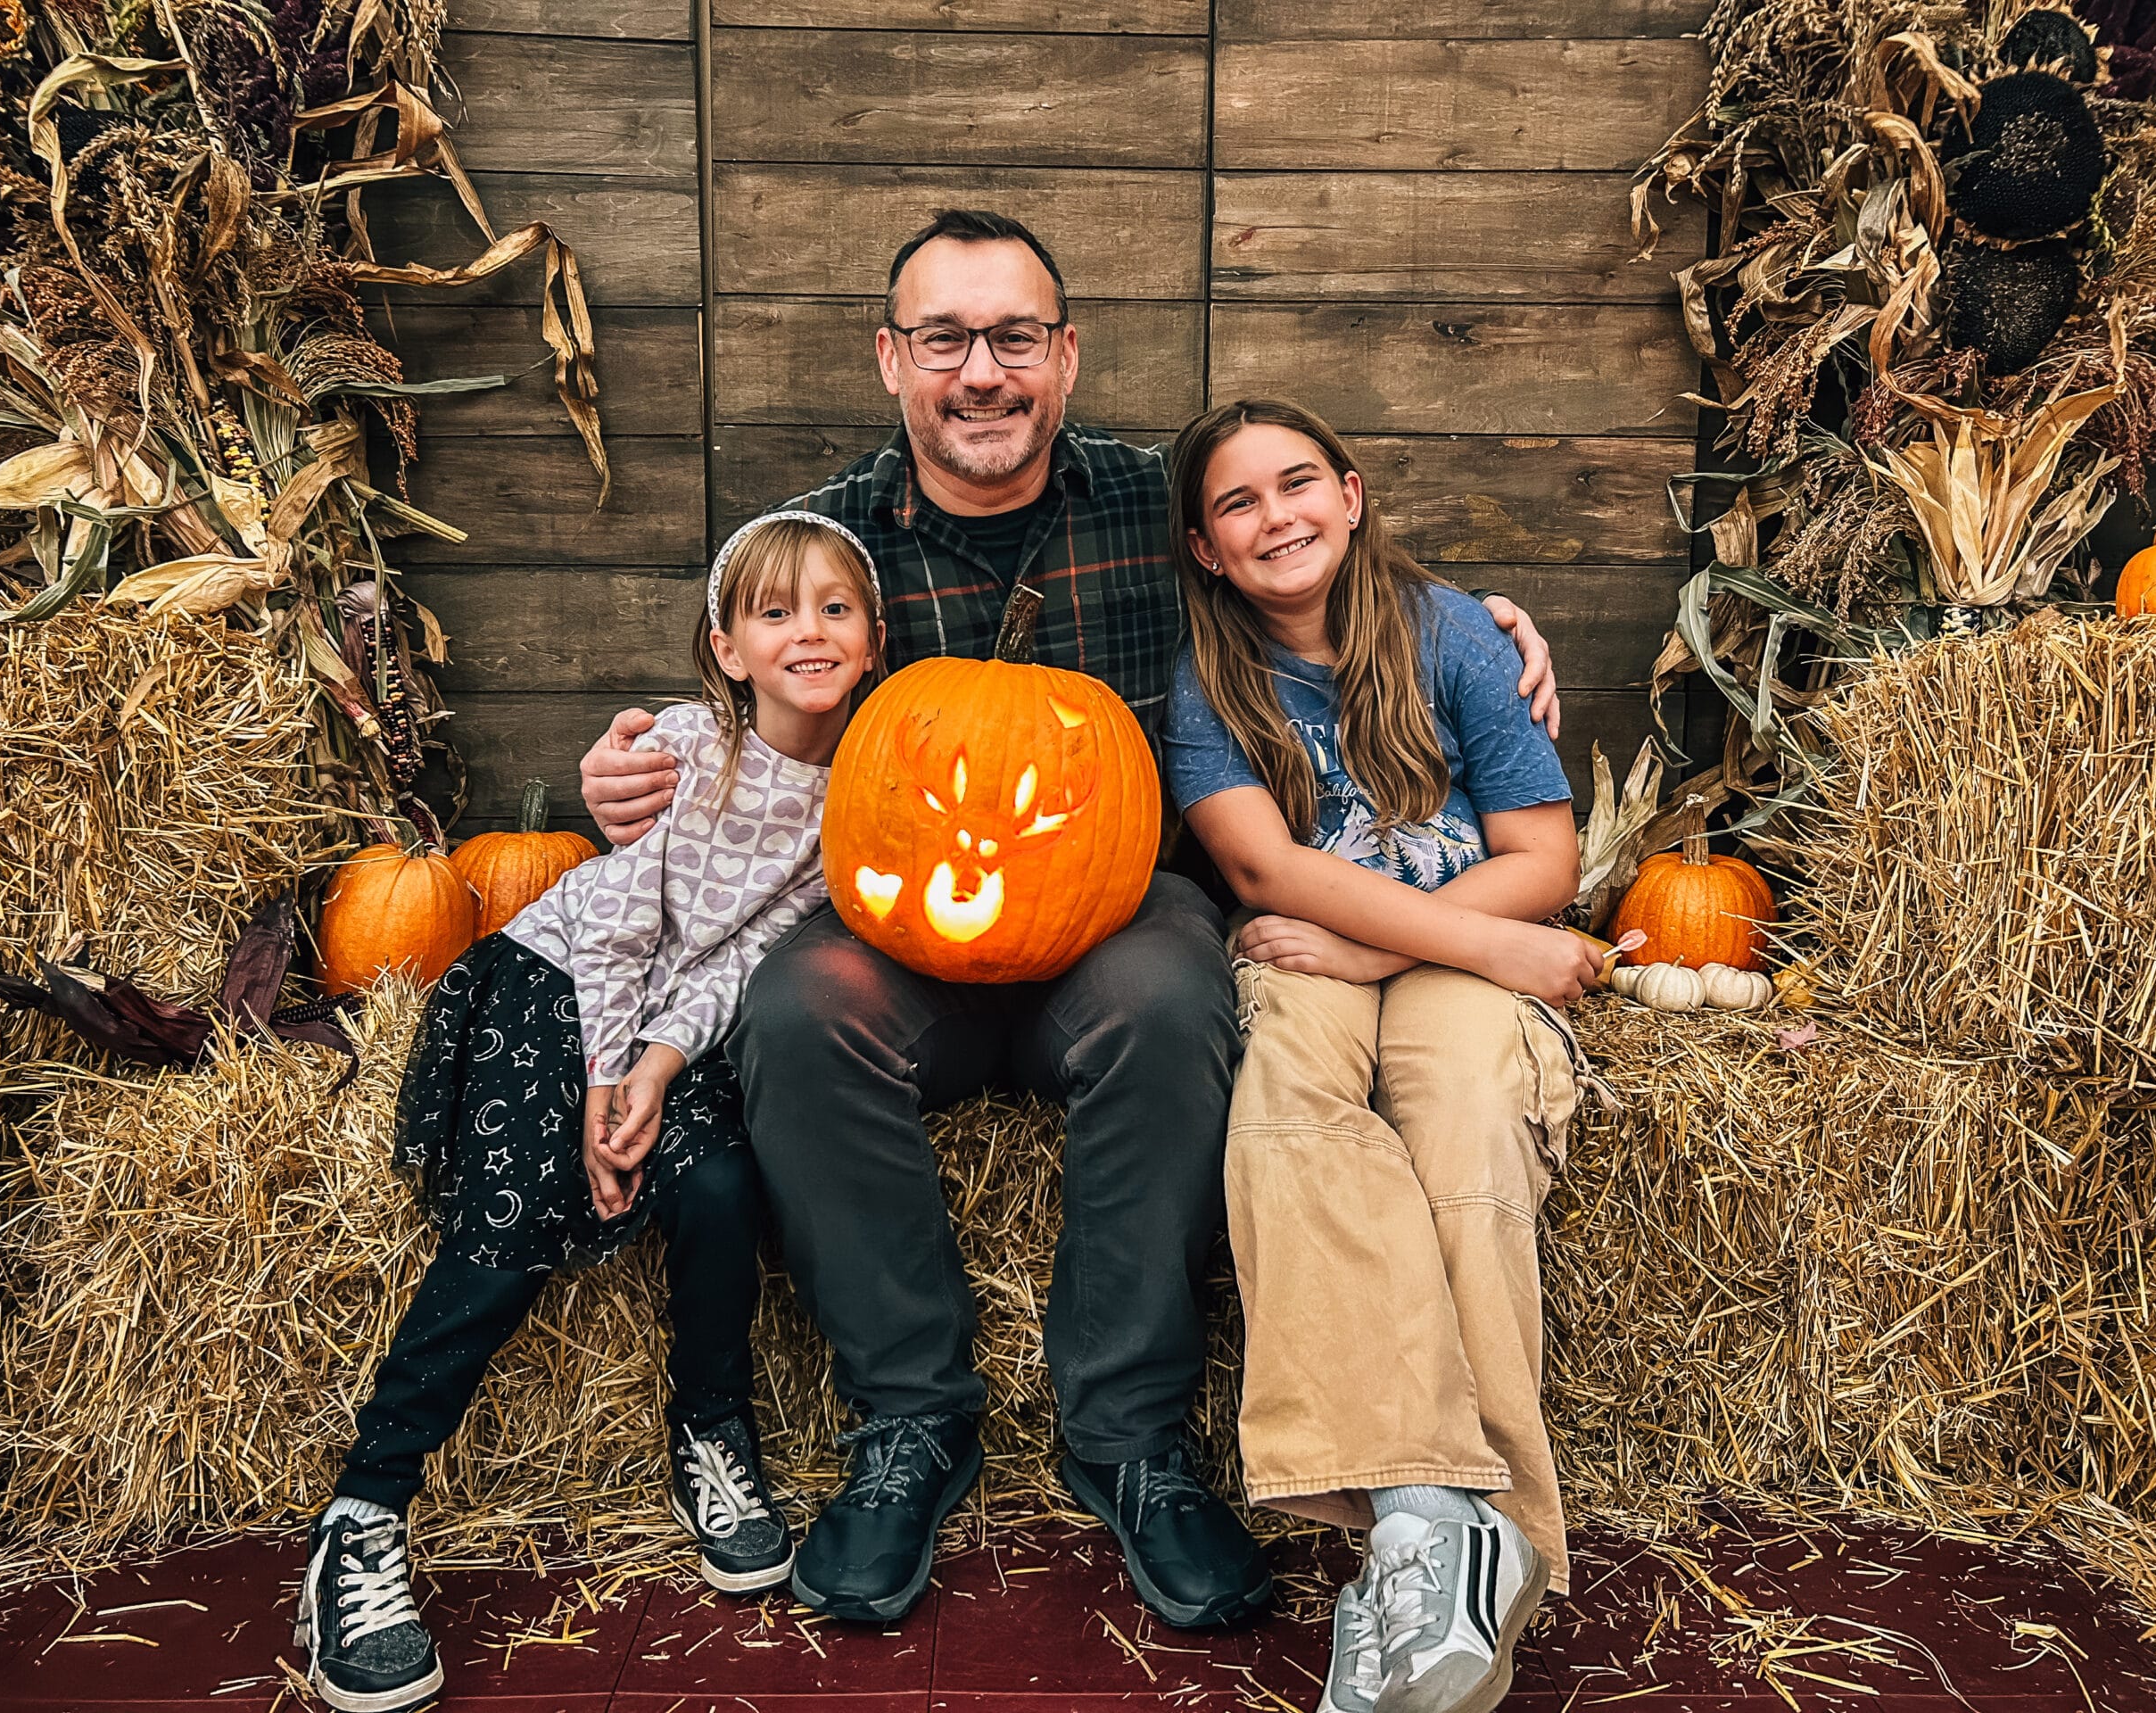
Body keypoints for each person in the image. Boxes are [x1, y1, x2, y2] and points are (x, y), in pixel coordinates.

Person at [577, 210, 1570, 1631]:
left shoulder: (1142, 507)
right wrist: (638, 761)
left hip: (1111, 910)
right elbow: (740, 679)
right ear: (892, 360)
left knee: (1180, 1000)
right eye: (946, 340)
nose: (982, 373)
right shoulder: (829, 535)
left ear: (1066, 355)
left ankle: (1129, 1433)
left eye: (1015, 339)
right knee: (795, 1011)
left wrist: (1477, 622)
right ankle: (912, 1419)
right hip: (901, 931)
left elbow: (1303, 569)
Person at [294, 513, 887, 1713]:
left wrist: (660, 1070)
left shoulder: (858, 811)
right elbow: (615, 922)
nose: (808, 632)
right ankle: (365, 1510)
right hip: (557, 986)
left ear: (874, 639)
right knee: (512, 1217)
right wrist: (604, 1079)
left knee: (720, 1188)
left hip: (672, 1033)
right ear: (725, 648)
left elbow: (751, 960)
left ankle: (709, 1437)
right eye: (776, 612)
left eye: (836, 608)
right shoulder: (681, 751)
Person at [1161, 398, 1598, 1713]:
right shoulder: (1209, 680)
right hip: (1318, 955)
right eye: (1239, 504)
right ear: (1205, 548)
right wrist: (1416, 953)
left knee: (1466, 1105)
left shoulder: (1449, 634)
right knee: (1291, 1103)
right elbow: (1261, 866)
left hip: (1443, 944)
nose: (1275, 517)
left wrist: (1387, 952)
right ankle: (1428, 1518)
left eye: (1298, 485)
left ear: (1351, 496)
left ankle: (1476, 1530)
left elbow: (1547, 860)